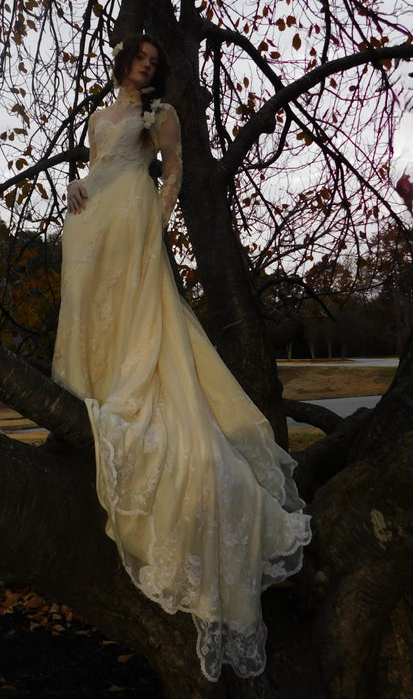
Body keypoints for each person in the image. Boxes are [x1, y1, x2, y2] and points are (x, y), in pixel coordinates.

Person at [52, 34, 311, 682]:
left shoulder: (156, 117)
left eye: (152, 61)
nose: (144, 66)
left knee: (151, 325)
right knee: (105, 313)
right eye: (136, 59)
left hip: (137, 223)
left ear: (158, 71)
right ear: (122, 64)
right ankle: (111, 384)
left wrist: (155, 218)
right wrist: (79, 190)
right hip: (101, 225)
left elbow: (173, 171)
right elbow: (97, 170)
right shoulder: (100, 117)